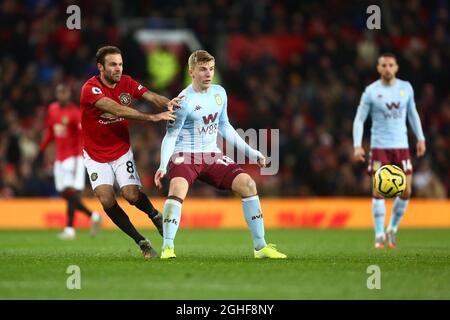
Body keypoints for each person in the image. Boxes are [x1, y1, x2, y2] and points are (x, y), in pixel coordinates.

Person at [154, 50, 287, 259]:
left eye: (211, 69)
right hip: (186, 155)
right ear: (191, 72)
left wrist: (252, 153)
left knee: (248, 184)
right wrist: (163, 166)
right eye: (202, 70)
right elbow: (170, 136)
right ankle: (167, 247)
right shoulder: (183, 101)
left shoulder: (219, 93)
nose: (208, 74)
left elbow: (225, 127)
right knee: (177, 187)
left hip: (211, 155)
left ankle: (260, 247)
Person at [80, 45, 180, 259]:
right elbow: (115, 108)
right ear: (101, 67)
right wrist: (152, 117)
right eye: (113, 65)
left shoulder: (127, 82)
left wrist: (170, 104)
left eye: (120, 64)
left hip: (120, 150)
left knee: (131, 195)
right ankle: (141, 241)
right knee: (106, 200)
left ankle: (154, 215)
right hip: (95, 154)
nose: (118, 68)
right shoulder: (90, 89)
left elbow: (151, 96)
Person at [353, 53, 426, 248]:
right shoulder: (371, 91)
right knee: (378, 190)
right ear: (378, 68)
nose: (387, 68)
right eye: (383, 65)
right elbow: (360, 119)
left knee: (406, 190)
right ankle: (378, 234)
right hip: (379, 147)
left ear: (396, 67)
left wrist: (421, 138)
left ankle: (392, 228)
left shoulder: (405, 88)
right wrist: (357, 145)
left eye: (390, 65)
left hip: (401, 146)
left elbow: (413, 113)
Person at [38, 84, 102, 240]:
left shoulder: (74, 113)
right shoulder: (52, 109)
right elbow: (51, 132)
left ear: (69, 94)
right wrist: (41, 149)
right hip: (59, 158)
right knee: (64, 192)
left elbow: (82, 137)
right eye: (59, 93)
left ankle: (69, 229)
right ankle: (93, 215)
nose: (61, 96)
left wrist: (80, 157)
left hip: (74, 158)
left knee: (71, 191)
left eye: (64, 93)